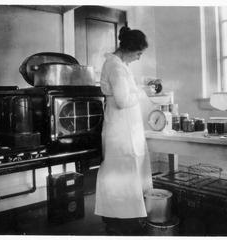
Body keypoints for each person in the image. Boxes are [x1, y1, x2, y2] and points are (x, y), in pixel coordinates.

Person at [94, 26, 153, 235]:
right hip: (121, 129)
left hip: (124, 126)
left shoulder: (118, 64)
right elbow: (122, 100)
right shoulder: (116, 67)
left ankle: (124, 218)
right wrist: (143, 92)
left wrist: (138, 89)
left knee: (127, 172)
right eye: (138, 53)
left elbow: (125, 94)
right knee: (122, 172)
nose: (138, 58)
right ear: (128, 49)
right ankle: (121, 221)